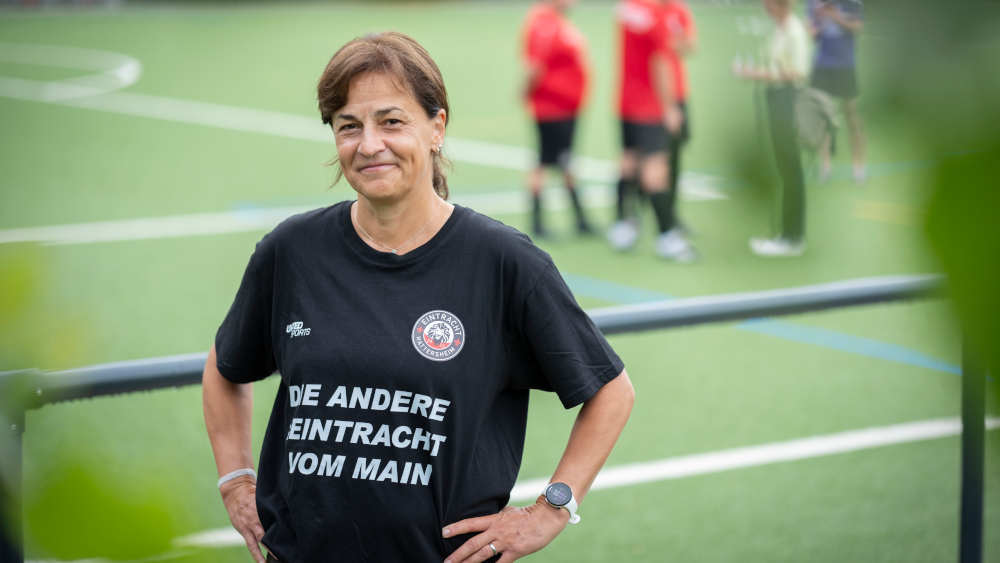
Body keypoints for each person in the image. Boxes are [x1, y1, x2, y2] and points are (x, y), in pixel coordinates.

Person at [202, 31, 634, 563]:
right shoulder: (291, 251)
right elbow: (226, 367)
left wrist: (552, 507)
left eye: (391, 121)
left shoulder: (502, 262)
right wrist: (234, 479)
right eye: (348, 127)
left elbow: (611, 391)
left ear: (436, 127)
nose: (368, 145)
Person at [608, 0, 696, 262]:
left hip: (626, 101)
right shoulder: (656, 17)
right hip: (650, 106)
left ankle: (623, 225)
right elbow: (660, 62)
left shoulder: (627, 9)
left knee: (628, 163)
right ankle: (667, 236)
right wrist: (669, 107)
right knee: (656, 172)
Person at [734, 0, 811, 257]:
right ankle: (786, 233)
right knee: (785, 168)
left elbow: (797, 72)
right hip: (776, 100)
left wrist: (759, 75)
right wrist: (758, 72)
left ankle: (793, 236)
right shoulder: (780, 29)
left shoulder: (794, 31)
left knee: (791, 169)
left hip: (788, 101)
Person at [521, 0, 593, 238]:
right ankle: (538, 223)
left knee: (565, 160)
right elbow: (535, 66)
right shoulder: (544, 23)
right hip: (552, 109)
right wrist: (526, 93)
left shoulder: (558, 22)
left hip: (566, 108)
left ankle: (580, 219)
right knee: (544, 161)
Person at [808, 0, 865, 183]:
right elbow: (813, 34)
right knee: (823, 116)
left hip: (845, 66)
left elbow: (857, 27)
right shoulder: (813, 2)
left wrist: (835, 16)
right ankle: (825, 167)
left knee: (852, 116)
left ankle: (858, 167)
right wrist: (817, 20)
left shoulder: (852, 2)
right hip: (822, 65)